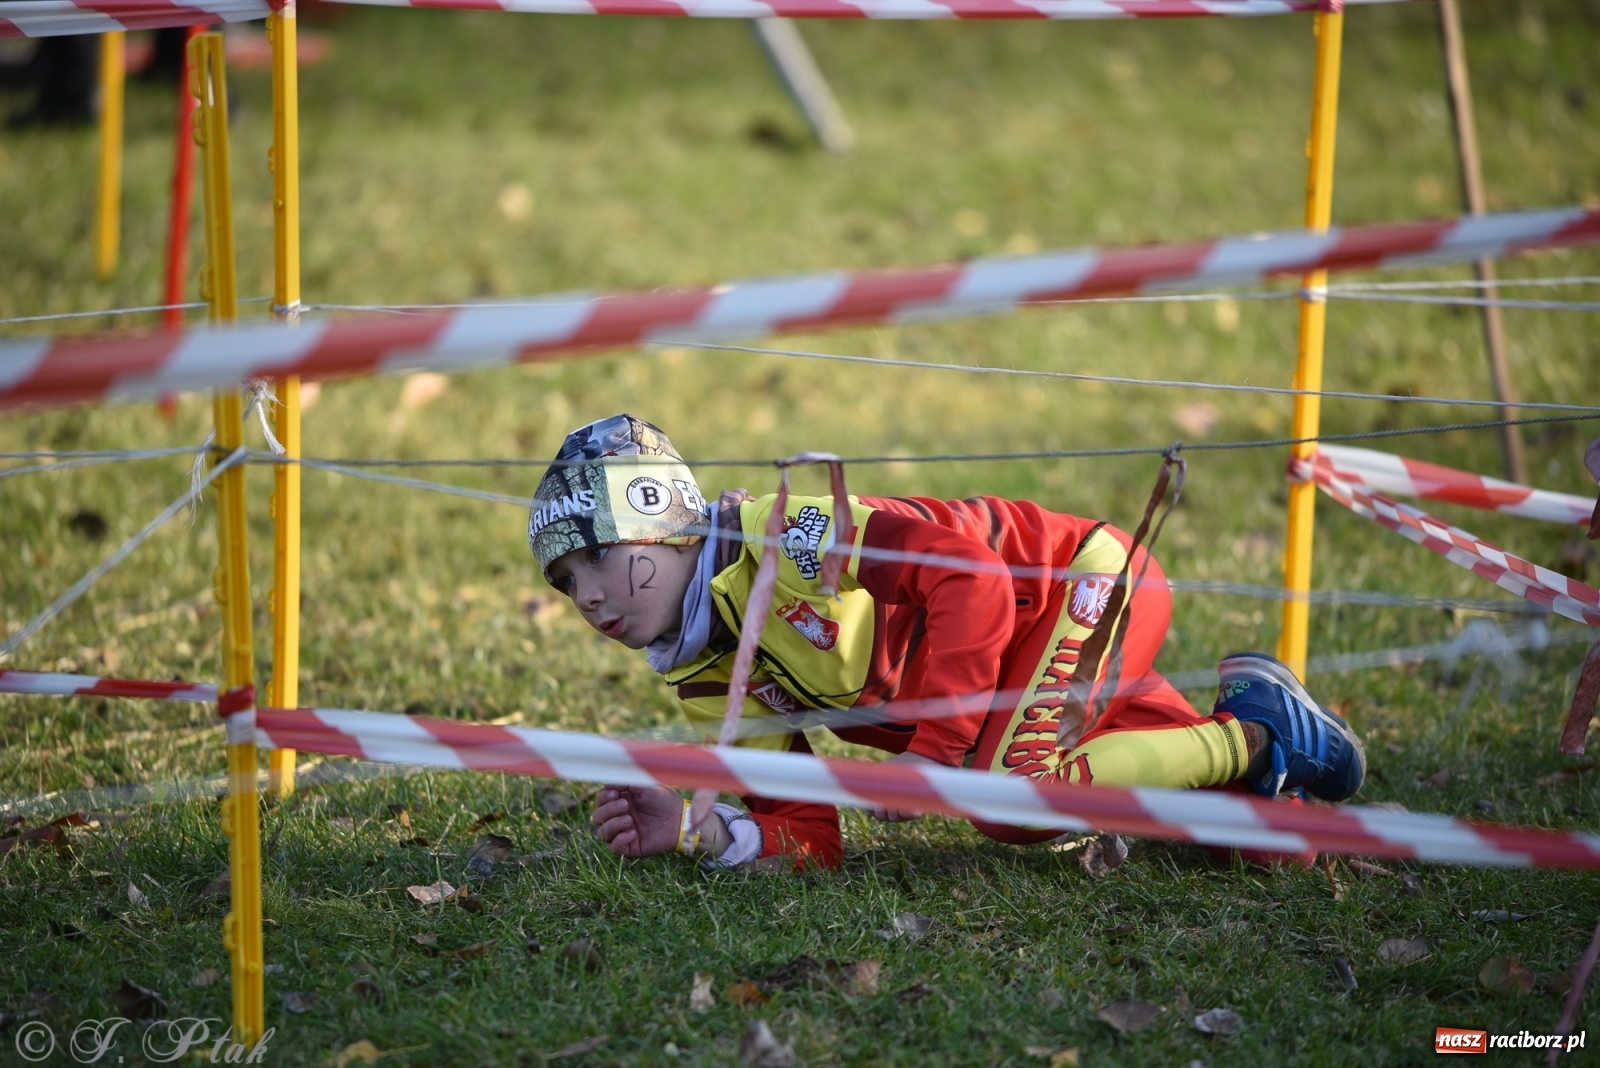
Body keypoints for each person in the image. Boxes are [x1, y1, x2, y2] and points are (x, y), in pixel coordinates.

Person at [529, 414, 1365, 870]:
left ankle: (1255, 729)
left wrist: (932, 758)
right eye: (566, 582)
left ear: (666, 521)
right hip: (1018, 687)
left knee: (1011, 801)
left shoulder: (790, 531)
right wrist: (694, 830)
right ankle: (1252, 772)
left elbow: (970, 576)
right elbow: (811, 837)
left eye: (599, 554)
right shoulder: (704, 671)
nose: (589, 595)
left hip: (1084, 583)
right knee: (1248, 842)